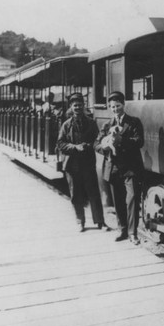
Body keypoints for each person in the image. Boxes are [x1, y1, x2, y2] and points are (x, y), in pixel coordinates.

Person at [95, 91, 144, 244]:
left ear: (124, 105)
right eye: (112, 107)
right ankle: (122, 230)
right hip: (113, 167)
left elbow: (139, 141)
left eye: (118, 106)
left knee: (133, 199)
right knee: (118, 201)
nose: (115, 109)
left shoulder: (134, 122)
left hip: (131, 168)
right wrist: (105, 148)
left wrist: (121, 140)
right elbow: (96, 144)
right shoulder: (107, 125)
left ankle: (133, 233)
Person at [57, 92, 108, 232]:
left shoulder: (91, 123)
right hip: (72, 166)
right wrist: (75, 147)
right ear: (71, 108)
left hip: (88, 164)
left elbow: (97, 141)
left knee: (94, 194)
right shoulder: (66, 125)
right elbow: (60, 144)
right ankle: (80, 221)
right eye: (75, 106)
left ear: (84, 106)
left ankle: (100, 222)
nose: (78, 108)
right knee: (75, 195)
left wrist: (91, 145)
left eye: (80, 105)